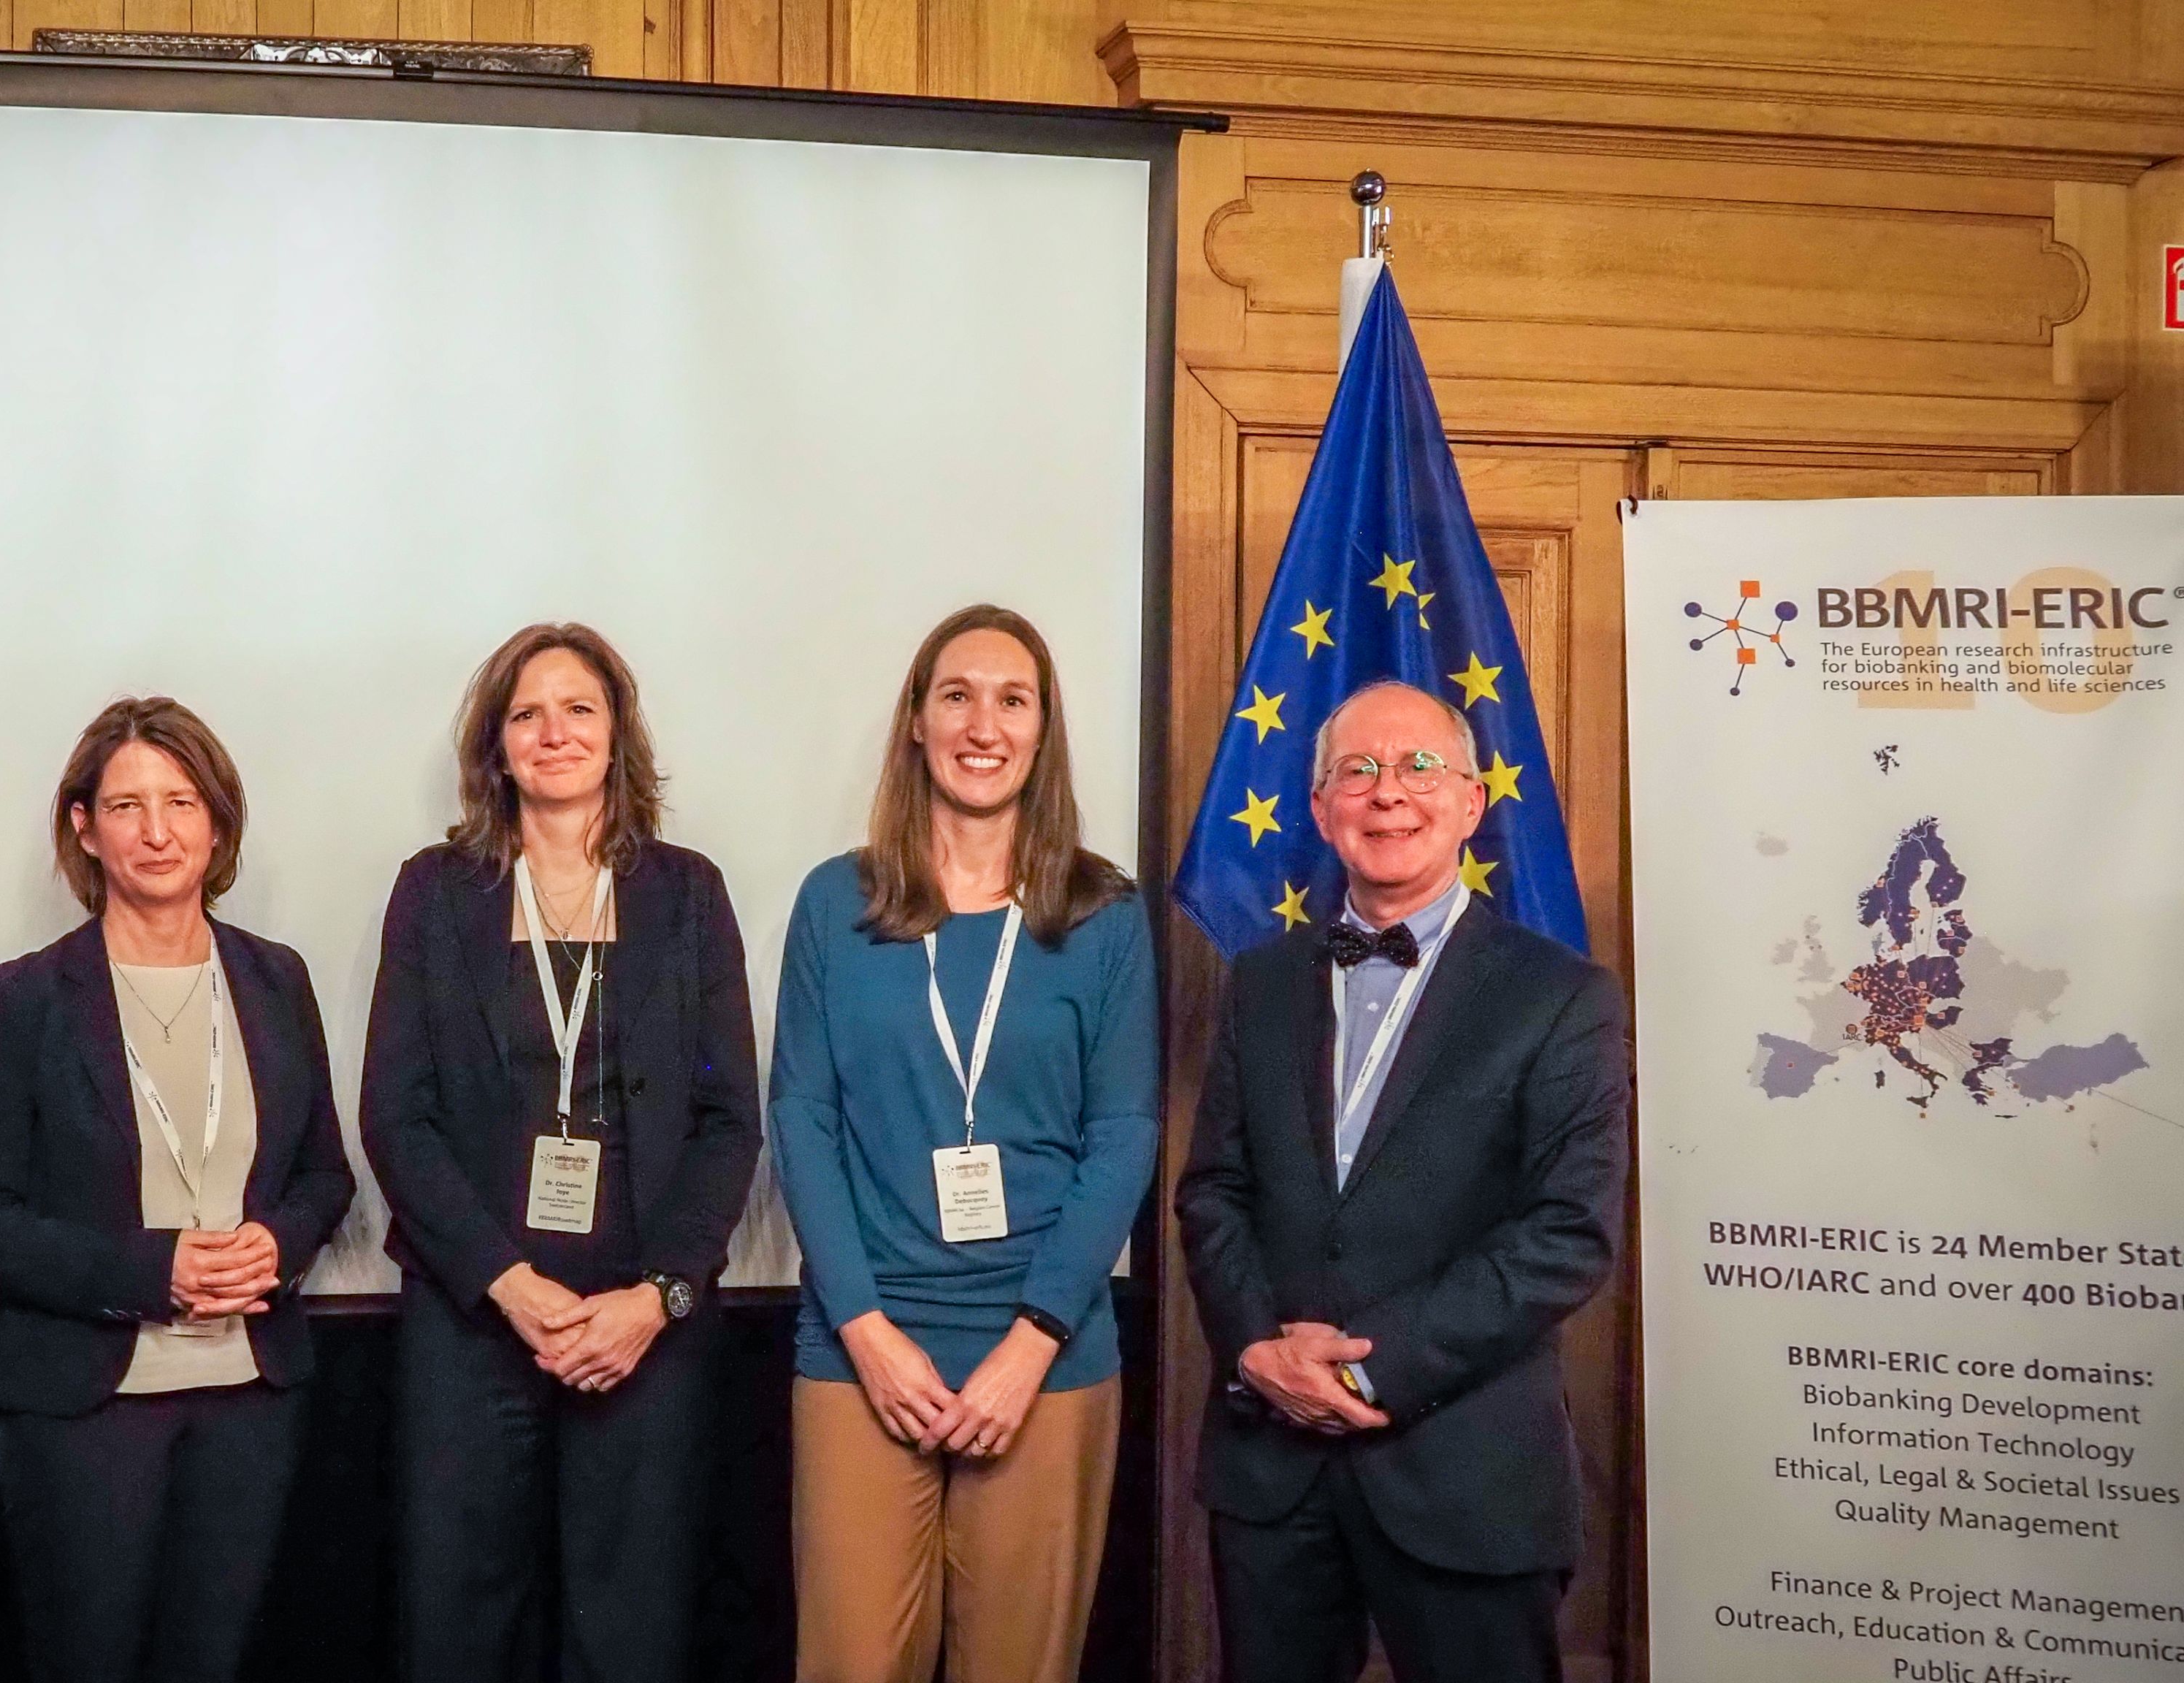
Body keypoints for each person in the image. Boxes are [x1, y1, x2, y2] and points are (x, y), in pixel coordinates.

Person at [1176, 679, 1627, 1683]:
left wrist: (1364, 1372)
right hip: (1271, 1472)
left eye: (1422, 766)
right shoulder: (1260, 983)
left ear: (1472, 803)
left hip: (1465, 1473)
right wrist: (1256, 1350)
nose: (1390, 792)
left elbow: (1568, 1234)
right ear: (1322, 808)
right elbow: (1213, 1191)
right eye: (1359, 770)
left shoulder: (1562, 997)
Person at [360, 623, 760, 1683]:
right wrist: (506, 1283)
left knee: (629, 1630)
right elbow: (397, 1115)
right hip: (472, 1320)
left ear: (617, 734)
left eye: (579, 708)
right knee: (460, 1623)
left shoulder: (688, 895)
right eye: (527, 713)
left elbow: (730, 1124)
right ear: (496, 749)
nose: (554, 733)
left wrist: (657, 1296)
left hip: (645, 1330)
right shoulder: (437, 894)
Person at [769, 603, 1157, 1683]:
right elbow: (802, 1120)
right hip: (862, 1352)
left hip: (1047, 1359)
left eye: (1013, 699)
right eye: (957, 695)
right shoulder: (834, 903)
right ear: (916, 724)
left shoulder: (1102, 911)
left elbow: (1125, 1134)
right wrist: (868, 1332)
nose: (984, 724)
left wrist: (1030, 1342)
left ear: (1042, 732)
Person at [0, 696, 354, 1683]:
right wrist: (152, 1267)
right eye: (126, 806)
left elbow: (324, 1173)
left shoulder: (275, 979)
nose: (158, 831)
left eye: (182, 802)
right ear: (83, 826)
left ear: (218, 821)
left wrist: (276, 1245)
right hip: (83, 1404)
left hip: (250, 1395)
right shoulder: (23, 998)